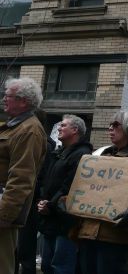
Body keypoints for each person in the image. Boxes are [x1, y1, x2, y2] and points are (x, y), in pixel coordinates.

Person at [76, 111, 128, 274]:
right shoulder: (103, 156)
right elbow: (86, 187)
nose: (110, 129)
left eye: (115, 125)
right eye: (110, 125)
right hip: (88, 233)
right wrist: (69, 201)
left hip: (115, 237)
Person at [0, 77, 47, 274]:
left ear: (23, 101)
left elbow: (22, 178)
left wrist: (4, 215)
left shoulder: (29, 131)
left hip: (3, 209)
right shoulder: (14, 126)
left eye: (7, 96)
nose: (3, 99)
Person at [38, 115, 93, 274]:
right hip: (50, 219)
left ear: (75, 130)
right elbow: (46, 180)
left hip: (65, 223)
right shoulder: (59, 152)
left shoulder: (82, 155)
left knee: (61, 266)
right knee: (46, 265)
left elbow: (69, 186)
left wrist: (50, 205)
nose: (59, 128)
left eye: (63, 125)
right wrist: (43, 201)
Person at [16, 109, 55, 274]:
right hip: (28, 198)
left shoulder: (40, 143)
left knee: (25, 247)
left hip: (30, 200)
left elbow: (38, 174)